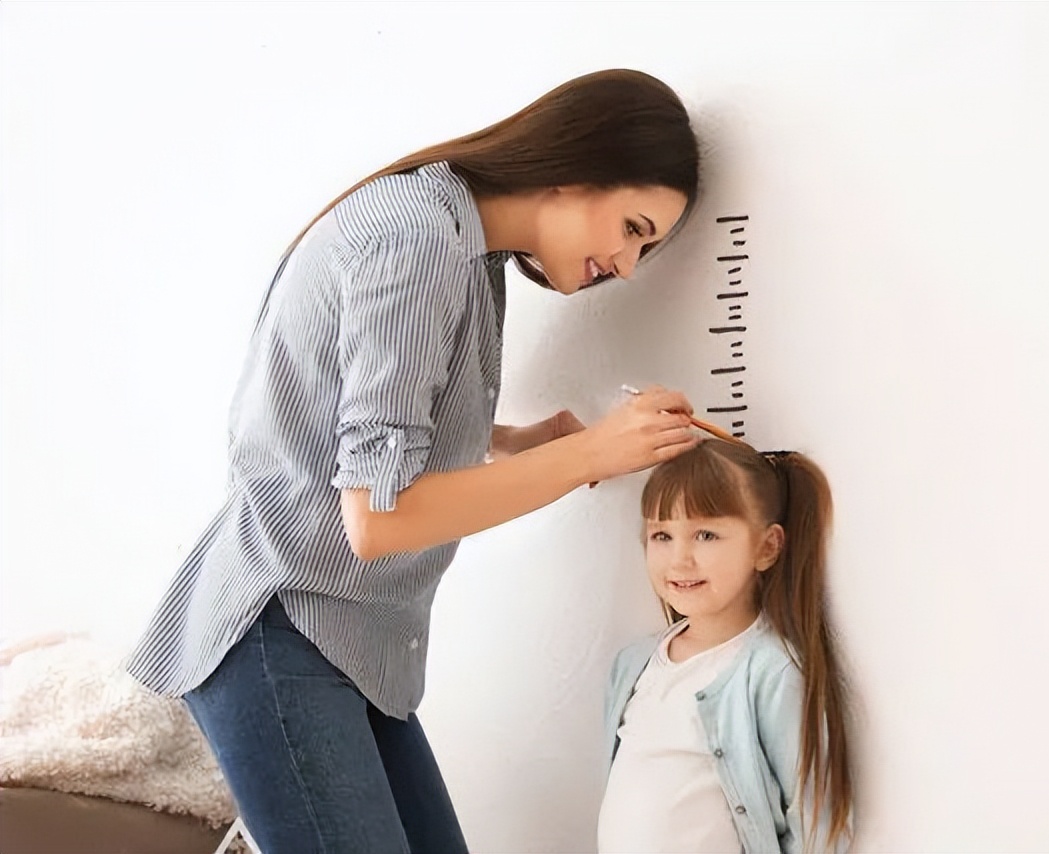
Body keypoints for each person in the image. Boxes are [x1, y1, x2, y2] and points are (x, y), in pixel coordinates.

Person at [125, 69, 701, 854]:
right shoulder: (419, 241)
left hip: (347, 638)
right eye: (633, 228)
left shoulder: (459, 246)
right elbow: (378, 517)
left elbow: (362, 410)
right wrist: (593, 453)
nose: (629, 265)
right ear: (574, 172)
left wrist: (512, 441)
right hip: (284, 621)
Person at [599, 439, 856, 853]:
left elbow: (817, 823)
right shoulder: (633, 664)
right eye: (662, 534)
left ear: (767, 547)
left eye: (705, 534)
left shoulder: (770, 671)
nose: (680, 558)